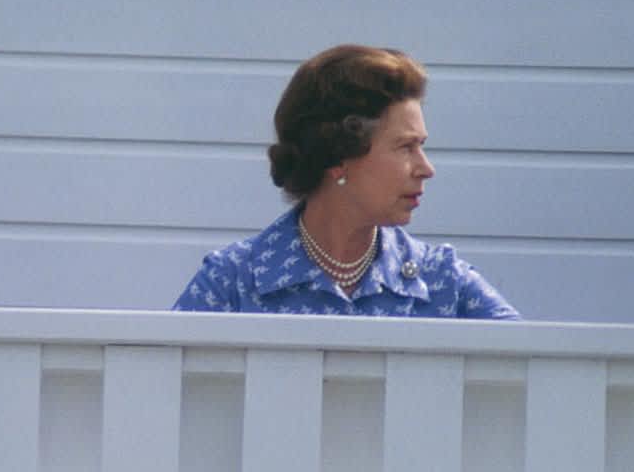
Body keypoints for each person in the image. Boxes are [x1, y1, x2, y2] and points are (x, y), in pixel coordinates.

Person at [173, 44, 519, 319]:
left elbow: (532, 377)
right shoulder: (233, 282)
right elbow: (162, 389)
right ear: (339, 158)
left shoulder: (442, 282)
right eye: (405, 147)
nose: (426, 168)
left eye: (421, 146)